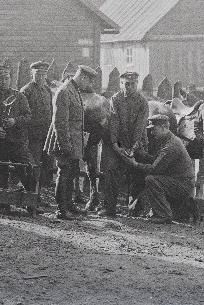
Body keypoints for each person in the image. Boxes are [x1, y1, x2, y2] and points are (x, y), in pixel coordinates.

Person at [0, 65, 39, 213]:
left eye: (7, 78)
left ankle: (31, 203)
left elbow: (28, 116)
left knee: (28, 169)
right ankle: (1, 204)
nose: (5, 81)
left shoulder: (19, 97)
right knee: (0, 173)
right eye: (1, 79)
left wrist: (15, 121)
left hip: (17, 142)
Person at [118, 114, 197, 224]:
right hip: (179, 181)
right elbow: (158, 160)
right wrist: (143, 155)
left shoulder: (171, 145)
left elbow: (154, 169)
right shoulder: (169, 140)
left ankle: (164, 214)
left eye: (154, 129)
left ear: (163, 128)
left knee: (151, 179)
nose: (152, 133)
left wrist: (134, 164)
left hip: (183, 184)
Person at [47, 65, 97, 220]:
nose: (90, 86)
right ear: (83, 78)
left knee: (71, 173)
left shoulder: (74, 90)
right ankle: (62, 209)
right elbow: (60, 122)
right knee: (64, 174)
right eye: (89, 82)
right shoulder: (64, 91)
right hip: (64, 141)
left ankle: (68, 204)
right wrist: (65, 146)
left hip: (73, 142)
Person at [104, 71, 150, 218]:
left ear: (137, 84)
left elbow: (140, 126)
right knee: (111, 171)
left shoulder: (142, 102)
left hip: (137, 143)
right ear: (121, 84)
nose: (129, 87)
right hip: (119, 142)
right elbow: (114, 123)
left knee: (137, 174)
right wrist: (116, 146)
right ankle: (110, 208)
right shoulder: (115, 99)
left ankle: (135, 209)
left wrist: (133, 148)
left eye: (133, 84)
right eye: (126, 84)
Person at [21, 61, 54, 189]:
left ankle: (38, 194)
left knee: (46, 165)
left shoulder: (47, 90)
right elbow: (23, 114)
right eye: (38, 74)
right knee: (33, 165)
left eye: (43, 74)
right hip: (32, 135)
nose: (41, 77)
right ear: (32, 74)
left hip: (46, 134)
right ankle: (31, 195)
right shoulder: (26, 91)